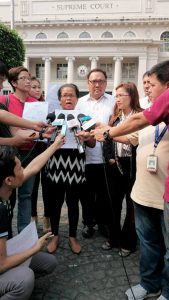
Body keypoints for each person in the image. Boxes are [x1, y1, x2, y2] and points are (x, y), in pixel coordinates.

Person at [91, 60, 169, 300]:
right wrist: (100, 132)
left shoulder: (152, 110)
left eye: (151, 84)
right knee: (149, 244)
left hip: (164, 195)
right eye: (144, 83)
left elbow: (132, 123)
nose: (146, 88)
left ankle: (166, 291)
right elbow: (131, 136)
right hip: (144, 191)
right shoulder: (149, 112)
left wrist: (106, 132)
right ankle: (149, 285)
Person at [0, 134, 64, 300]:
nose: (24, 171)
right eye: (20, 169)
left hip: (3, 254)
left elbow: (34, 167)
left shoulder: (5, 187)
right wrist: (34, 248)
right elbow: (1, 264)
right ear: (9, 180)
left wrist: (55, 145)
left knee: (49, 262)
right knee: (25, 278)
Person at [46, 83, 95, 254]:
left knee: (73, 202)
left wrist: (88, 136)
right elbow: (43, 139)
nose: (68, 98)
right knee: (55, 202)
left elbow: (93, 142)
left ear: (76, 98)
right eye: (65, 95)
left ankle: (72, 236)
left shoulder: (84, 117)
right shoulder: (51, 116)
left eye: (71, 95)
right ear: (59, 99)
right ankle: (55, 235)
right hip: (56, 161)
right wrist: (48, 135)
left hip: (76, 162)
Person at [102, 82, 141, 256]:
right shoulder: (115, 118)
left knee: (132, 205)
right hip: (115, 165)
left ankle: (129, 241)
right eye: (115, 95)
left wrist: (108, 132)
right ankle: (114, 238)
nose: (116, 99)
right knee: (113, 204)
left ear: (131, 96)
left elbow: (133, 139)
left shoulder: (140, 116)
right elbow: (107, 141)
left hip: (134, 166)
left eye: (120, 95)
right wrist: (109, 157)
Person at [0, 66, 40, 233]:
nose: (28, 81)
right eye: (23, 78)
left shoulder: (36, 103)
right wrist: (14, 139)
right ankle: (6, 234)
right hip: (9, 154)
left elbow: (39, 127)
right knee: (7, 195)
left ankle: (23, 235)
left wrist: (41, 130)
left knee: (26, 195)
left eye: (29, 77)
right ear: (14, 82)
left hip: (30, 152)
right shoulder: (5, 100)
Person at [76, 68, 115, 238]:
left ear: (106, 83)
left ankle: (103, 223)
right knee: (86, 195)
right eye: (93, 81)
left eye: (101, 81)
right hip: (86, 158)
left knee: (105, 195)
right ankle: (88, 223)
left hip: (107, 158)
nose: (97, 85)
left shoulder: (114, 102)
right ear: (88, 83)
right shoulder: (80, 103)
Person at [29, 76, 51, 233]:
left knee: (48, 186)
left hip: (46, 149)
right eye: (34, 87)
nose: (37, 90)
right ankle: (32, 218)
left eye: (39, 87)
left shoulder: (47, 107)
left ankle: (47, 218)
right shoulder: (25, 106)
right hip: (30, 149)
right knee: (32, 187)